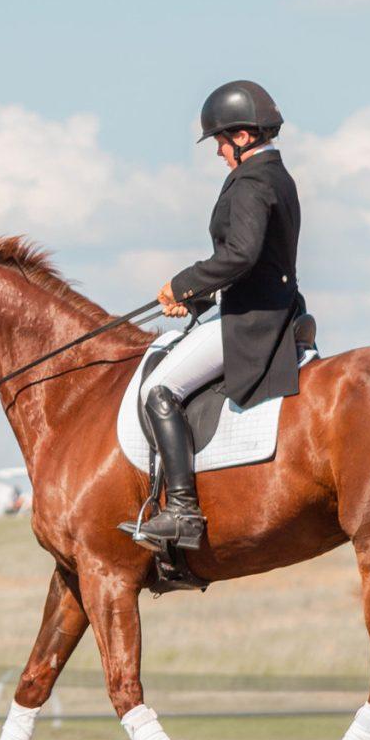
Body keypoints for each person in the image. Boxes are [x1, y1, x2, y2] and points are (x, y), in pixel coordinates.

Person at [136, 80, 304, 551]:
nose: (218, 153)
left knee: (159, 388)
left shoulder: (252, 181)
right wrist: (197, 300)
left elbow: (241, 255)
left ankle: (183, 511)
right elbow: (258, 261)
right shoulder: (275, 175)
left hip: (253, 320)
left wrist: (183, 282)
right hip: (264, 303)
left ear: (243, 137)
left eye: (220, 142)